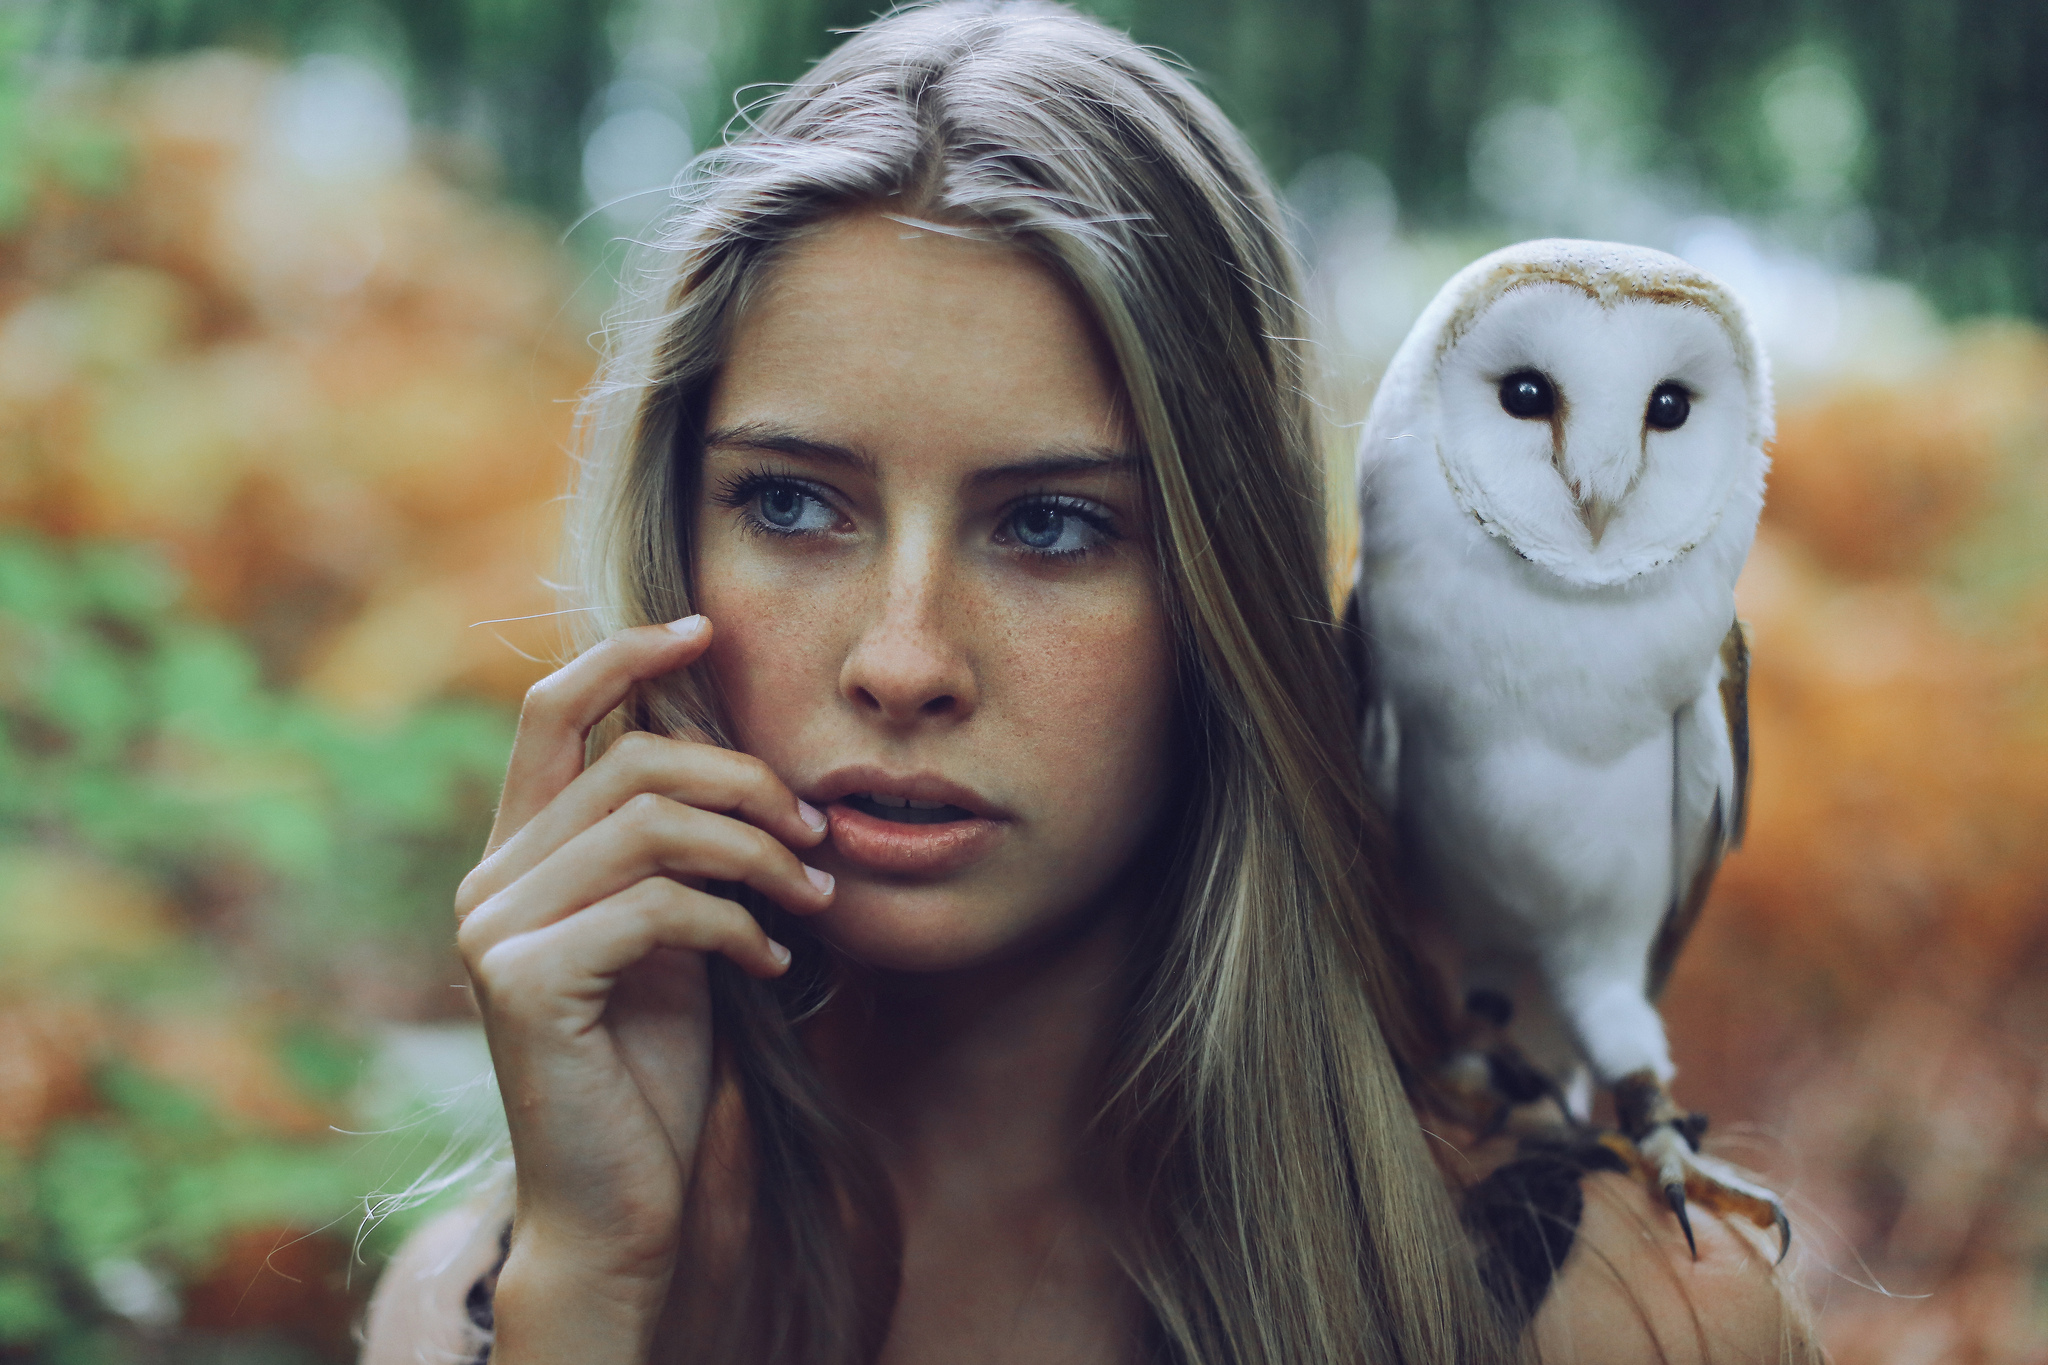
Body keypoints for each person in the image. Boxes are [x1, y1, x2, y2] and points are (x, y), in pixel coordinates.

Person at [361, 3, 1817, 1361]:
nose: (904, 660)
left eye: (1052, 524)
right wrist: (599, 1288)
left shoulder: (1622, 1309)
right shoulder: (496, 1297)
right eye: (795, 505)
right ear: (676, 540)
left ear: (1223, 592)